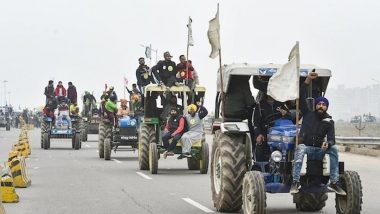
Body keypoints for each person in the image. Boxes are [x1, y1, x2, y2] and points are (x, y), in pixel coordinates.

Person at [290, 72, 346, 195]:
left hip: (319, 149)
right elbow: (302, 94)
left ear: (327, 107)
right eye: (319, 104)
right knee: (300, 148)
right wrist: (307, 80)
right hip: (307, 147)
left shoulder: (329, 121)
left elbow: (332, 139)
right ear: (315, 105)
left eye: (323, 104)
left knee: (335, 149)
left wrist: (328, 143)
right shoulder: (307, 113)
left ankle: (334, 182)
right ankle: (295, 182)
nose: (321, 106)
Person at [253, 93, 291, 162]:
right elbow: (256, 122)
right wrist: (258, 134)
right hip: (266, 131)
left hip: (280, 132)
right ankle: (260, 166)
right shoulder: (260, 105)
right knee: (259, 143)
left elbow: (290, 118)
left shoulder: (281, 104)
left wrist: (285, 114)